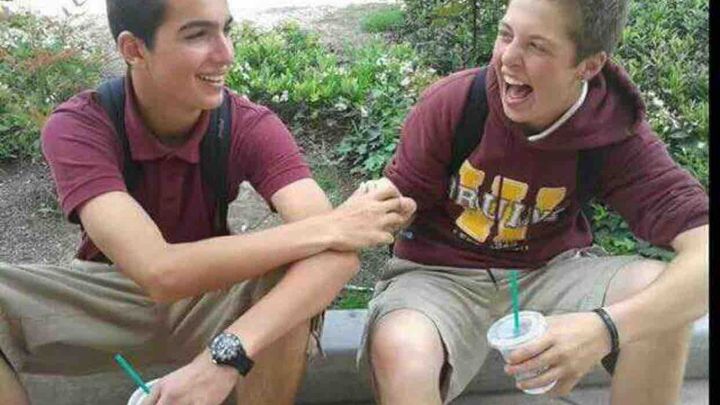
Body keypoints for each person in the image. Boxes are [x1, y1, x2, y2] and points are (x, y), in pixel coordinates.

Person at [0, 0, 416, 404]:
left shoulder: (248, 125)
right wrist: (332, 225)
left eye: (226, 30)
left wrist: (226, 355)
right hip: (106, 299)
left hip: (212, 296)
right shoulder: (81, 125)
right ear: (134, 49)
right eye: (197, 35)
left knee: (297, 272)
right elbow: (158, 271)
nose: (226, 53)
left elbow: (337, 257)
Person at [356, 0, 708, 404]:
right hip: (438, 276)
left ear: (589, 65)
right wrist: (380, 208)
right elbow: (399, 198)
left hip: (549, 270)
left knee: (661, 297)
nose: (507, 58)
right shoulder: (455, 102)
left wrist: (604, 328)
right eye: (505, 34)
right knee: (402, 349)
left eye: (536, 46)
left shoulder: (613, 131)